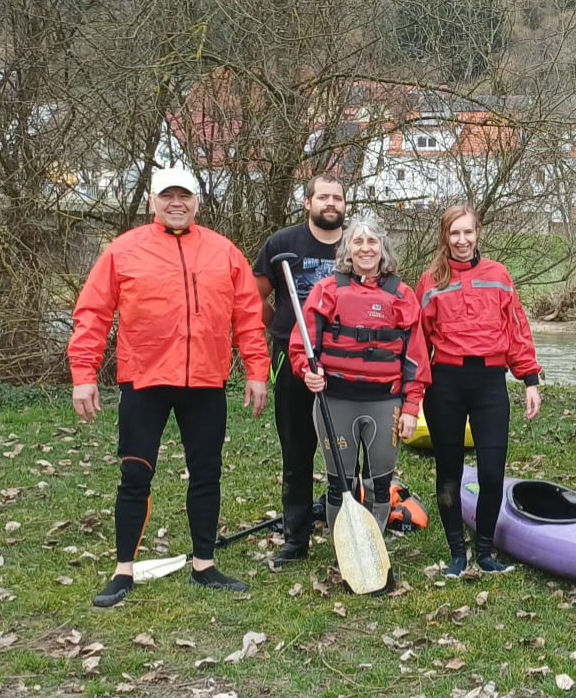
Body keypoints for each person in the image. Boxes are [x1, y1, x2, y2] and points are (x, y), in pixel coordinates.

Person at [69, 166, 270, 608]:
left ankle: (204, 564)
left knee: (207, 472)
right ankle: (123, 570)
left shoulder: (223, 252)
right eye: (167, 196)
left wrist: (257, 370)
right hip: (145, 380)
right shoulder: (124, 251)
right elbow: (92, 314)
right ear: (153, 202)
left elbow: (248, 316)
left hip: (205, 381)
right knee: (135, 473)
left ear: (197, 202)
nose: (176, 203)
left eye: (184, 196)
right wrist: (83, 376)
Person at [289, 214, 430, 571]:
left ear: (383, 248)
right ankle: (346, 551)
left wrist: (412, 407)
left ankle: (375, 543)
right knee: (340, 484)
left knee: (379, 483)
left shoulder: (401, 295)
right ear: (347, 249)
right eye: (358, 242)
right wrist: (308, 371)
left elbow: (415, 359)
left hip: (385, 403)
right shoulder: (328, 291)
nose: (365, 249)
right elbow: (302, 344)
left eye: (372, 242)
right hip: (336, 402)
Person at [418, 205, 542, 578]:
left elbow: (517, 329)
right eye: (454, 233)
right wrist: (411, 393)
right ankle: (458, 552)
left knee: (491, 472)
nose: (461, 240)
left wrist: (530, 379)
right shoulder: (431, 281)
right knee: (450, 471)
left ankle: (485, 551)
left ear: (478, 234)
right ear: (445, 237)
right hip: (446, 384)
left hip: (490, 382)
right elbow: (418, 343)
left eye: (467, 233)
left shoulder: (499, 276)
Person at [251, 174, 347, 565]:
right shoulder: (282, 244)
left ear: (344, 204)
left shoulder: (358, 243)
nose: (330, 203)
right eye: (322, 197)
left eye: (337, 198)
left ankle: (345, 526)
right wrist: (281, 325)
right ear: (307, 202)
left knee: (346, 447)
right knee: (296, 448)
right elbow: (251, 295)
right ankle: (296, 538)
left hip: (344, 359)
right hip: (292, 358)